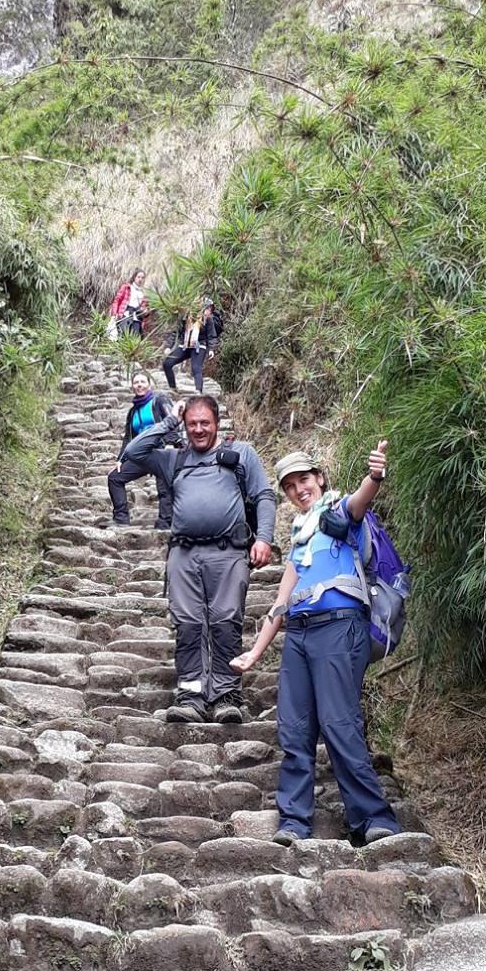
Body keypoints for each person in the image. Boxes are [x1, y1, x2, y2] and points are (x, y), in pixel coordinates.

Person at [231, 443, 401, 846]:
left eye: (304, 480)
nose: (298, 490)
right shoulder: (299, 538)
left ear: (320, 478)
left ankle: (374, 819)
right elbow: (280, 603)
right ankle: (293, 820)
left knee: (339, 723)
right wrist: (256, 651)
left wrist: (374, 475)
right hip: (300, 634)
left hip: (340, 628)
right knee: (294, 728)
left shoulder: (338, 512)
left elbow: (361, 500)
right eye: (289, 486)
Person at [159, 395, 275, 724]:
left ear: (217, 424)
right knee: (188, 623)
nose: (198, 429)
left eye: (205, 423)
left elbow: (264, 495)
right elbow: (134, 453)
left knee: (226, 620)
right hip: (183, 553)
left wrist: (264, 538)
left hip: (229, 551)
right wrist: (169, 421)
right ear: (184, 425)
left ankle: (226, 695)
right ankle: (191, 695)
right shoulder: (175, 458)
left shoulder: (242, 454)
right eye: (191, 423)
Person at [108, 371, 177, 527]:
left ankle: (165, 522)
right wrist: (120, 460)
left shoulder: (159, 400)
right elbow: (128, 437)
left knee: (164, 487)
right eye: (136, 382)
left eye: (142, 382)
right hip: (141, 455)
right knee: (114, 477)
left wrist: (170, 443)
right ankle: (121, 519)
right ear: (132, 386)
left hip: (161, 451)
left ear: (149, 384)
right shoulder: (133, 411)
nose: (139, 385)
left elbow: (172, 420)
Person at [162, 297, 222, 395]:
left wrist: (211, 349)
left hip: (199, 346)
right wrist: (169, 346)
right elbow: (176, 331)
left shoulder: (208, 319)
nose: (209, 311)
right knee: (167, 363)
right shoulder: (185, 316)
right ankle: (172, 388)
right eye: (208, 308)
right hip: (185, 345)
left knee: (196, 368)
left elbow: (211, 335)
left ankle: (198, 391)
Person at [108, 267, 148, 339]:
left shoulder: (143, 293)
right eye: (138, 277)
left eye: (142, 278)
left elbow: (144, 309)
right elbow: (117, 301)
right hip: (125, 315)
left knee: (134, 339)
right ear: (134, 277)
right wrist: (114, 314)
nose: (140, 279)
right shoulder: (126, 287)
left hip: (137, 318)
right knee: (122, 337)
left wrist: (145, 311)